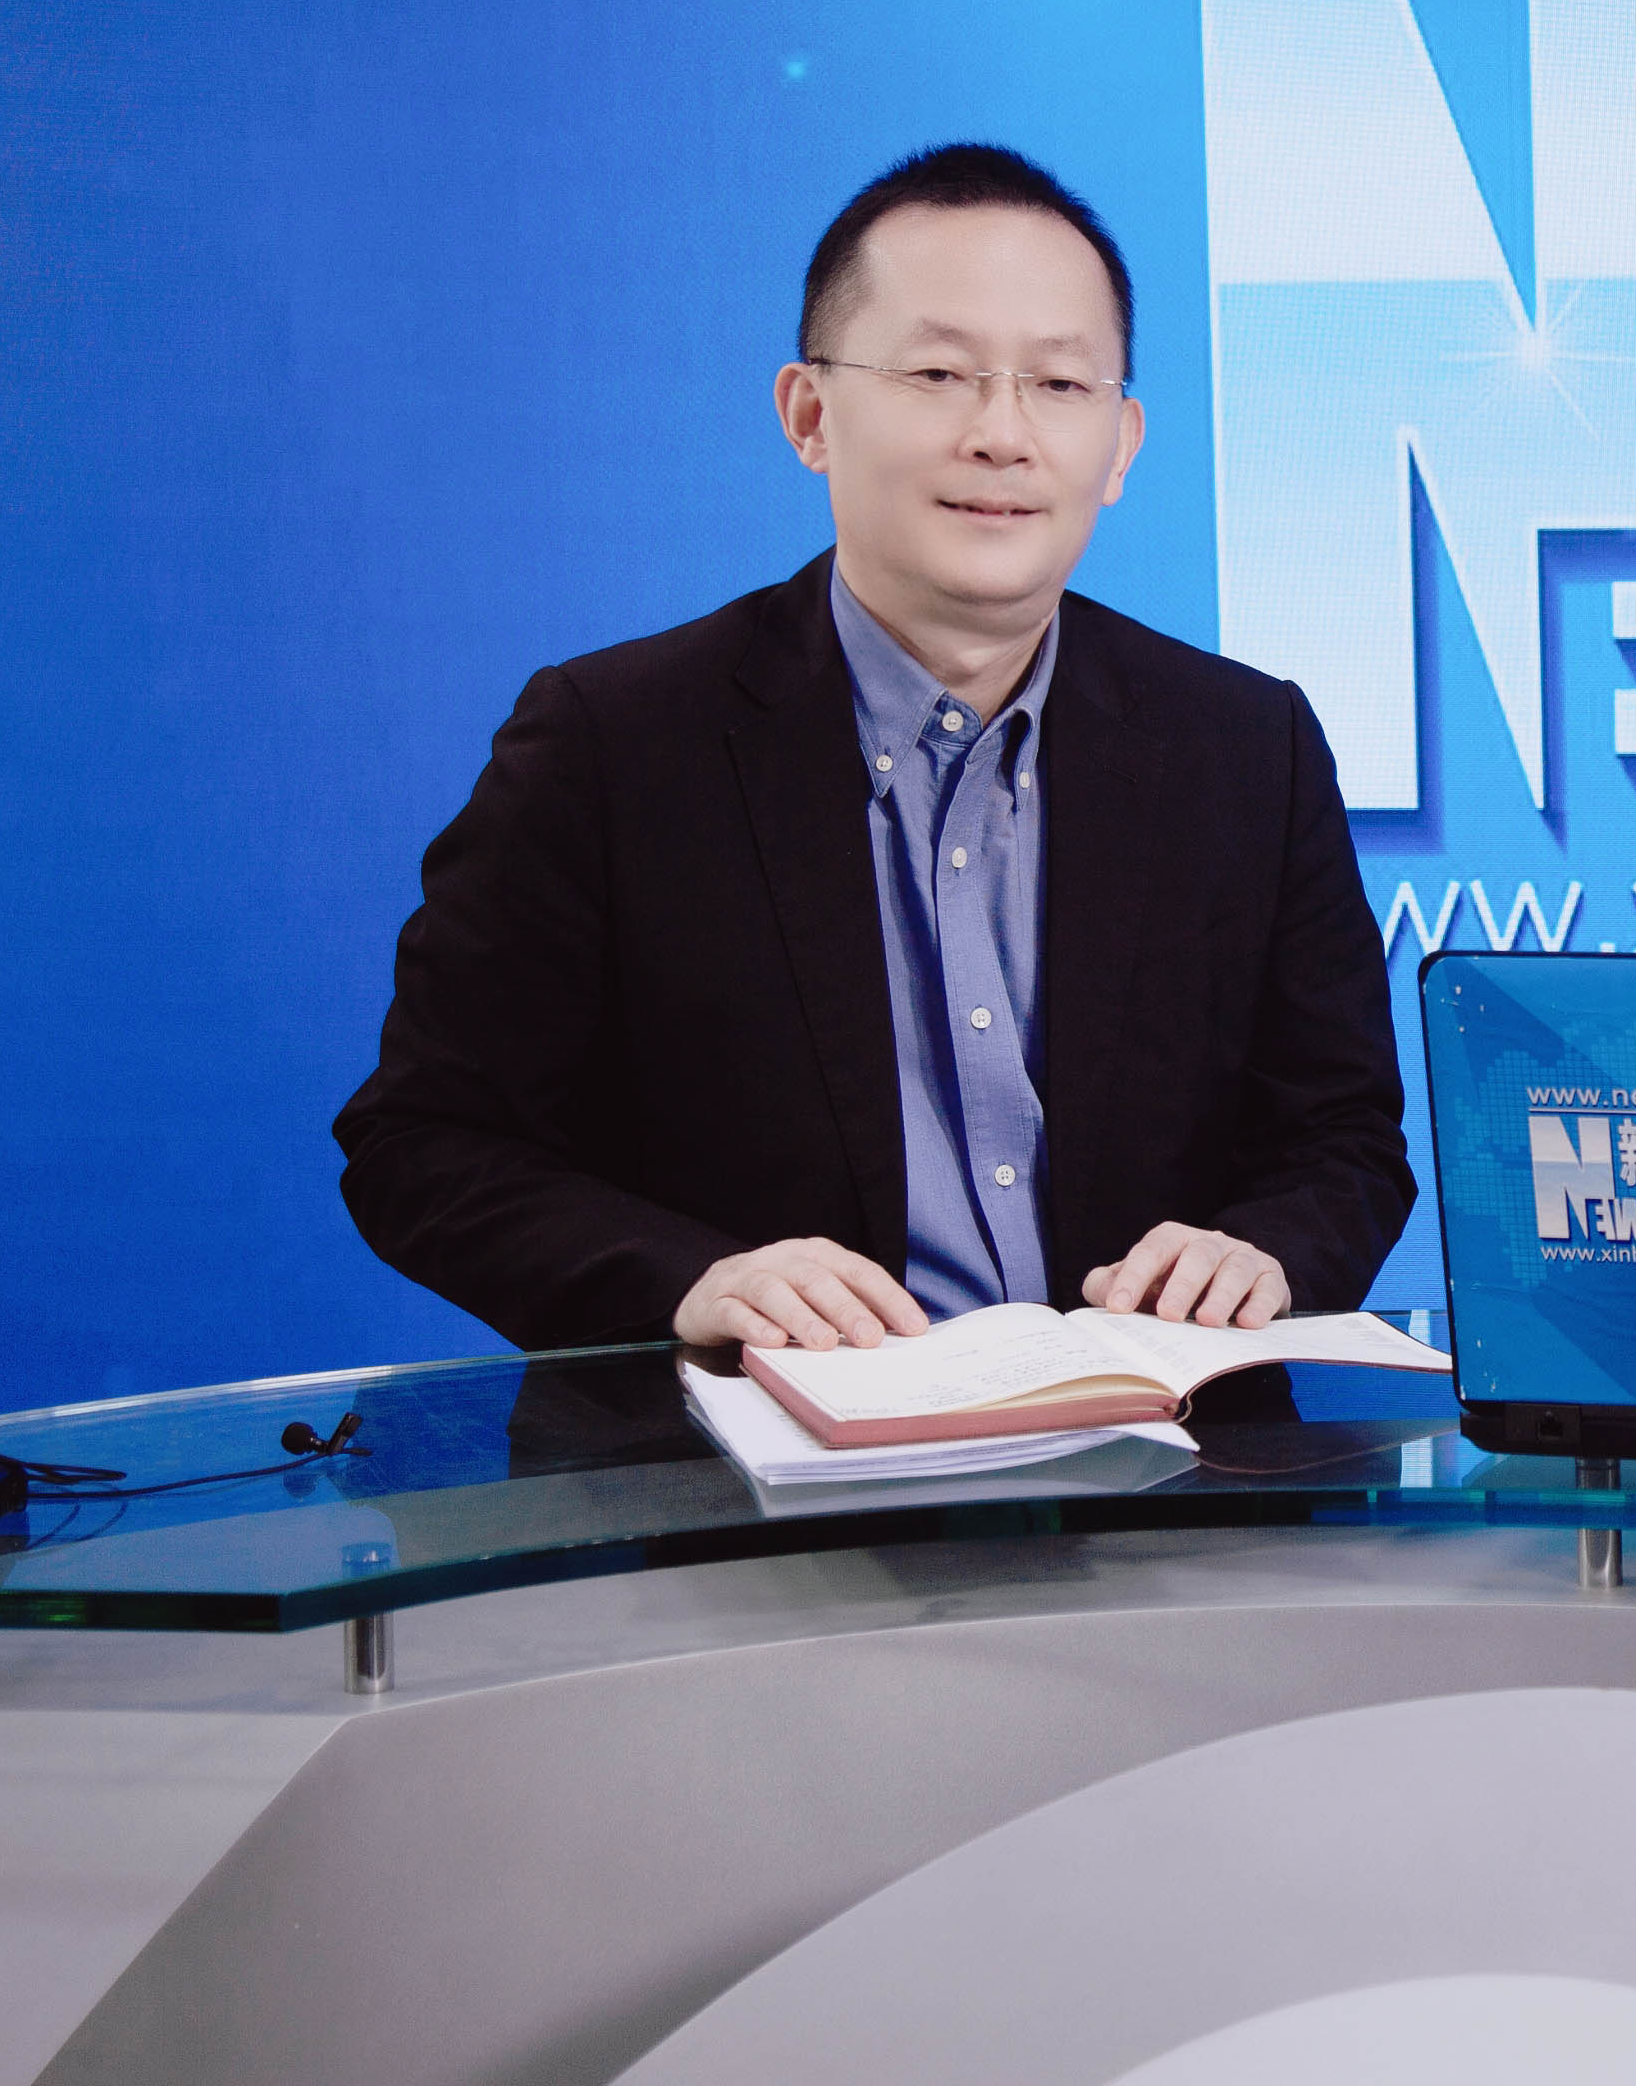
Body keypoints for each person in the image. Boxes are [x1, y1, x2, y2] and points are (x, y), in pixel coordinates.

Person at [338, 144, 1410, 1354]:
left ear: (1121, 445)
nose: (1002, 434)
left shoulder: (1245, 746)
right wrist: (689, 1283)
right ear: (809, 415)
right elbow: (421, 1144)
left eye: (1060, 384)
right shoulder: (611, 743)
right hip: (757, 1457)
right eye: (939, 373)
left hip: (1158, 1450)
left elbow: (1342, 1142)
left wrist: (1264, 1252)